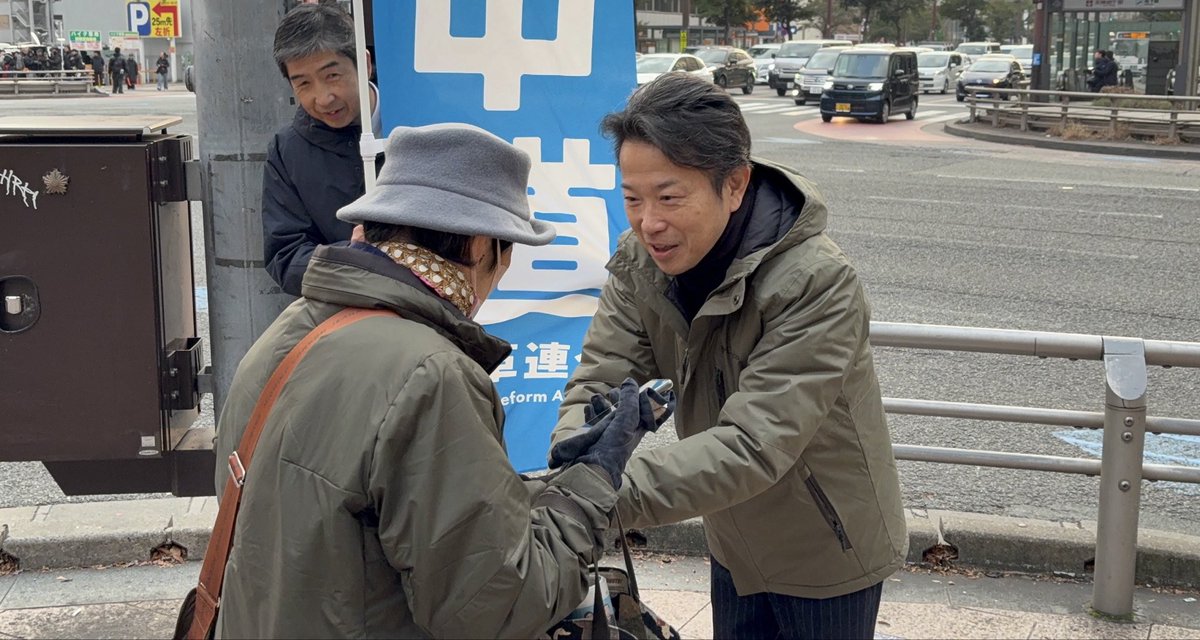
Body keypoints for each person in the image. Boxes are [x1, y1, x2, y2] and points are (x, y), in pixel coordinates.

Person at [213, 123, 661, 638]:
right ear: (481, 244)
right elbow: (499, 605)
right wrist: (592, 481)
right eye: (509, 252)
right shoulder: (432, 373)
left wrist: (551, 487)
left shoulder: (292, 329)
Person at [549, 73, 907, 640]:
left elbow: (755, 442)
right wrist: (574, 458)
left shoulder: (815, 281)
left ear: (735, 185)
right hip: (731, 535)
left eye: (669, 197)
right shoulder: (641, 263)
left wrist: (594, 491)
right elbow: (601, 379)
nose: (648, 222)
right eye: (632, 198)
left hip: (826, 543)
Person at [262, 2, 384, 297]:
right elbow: (285, 255)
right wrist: (350, 256)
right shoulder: (288, 150)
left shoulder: (418, 119)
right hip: (341, 310)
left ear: (365, 63)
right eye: (303, 83)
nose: (323, 98)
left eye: (332, 76)